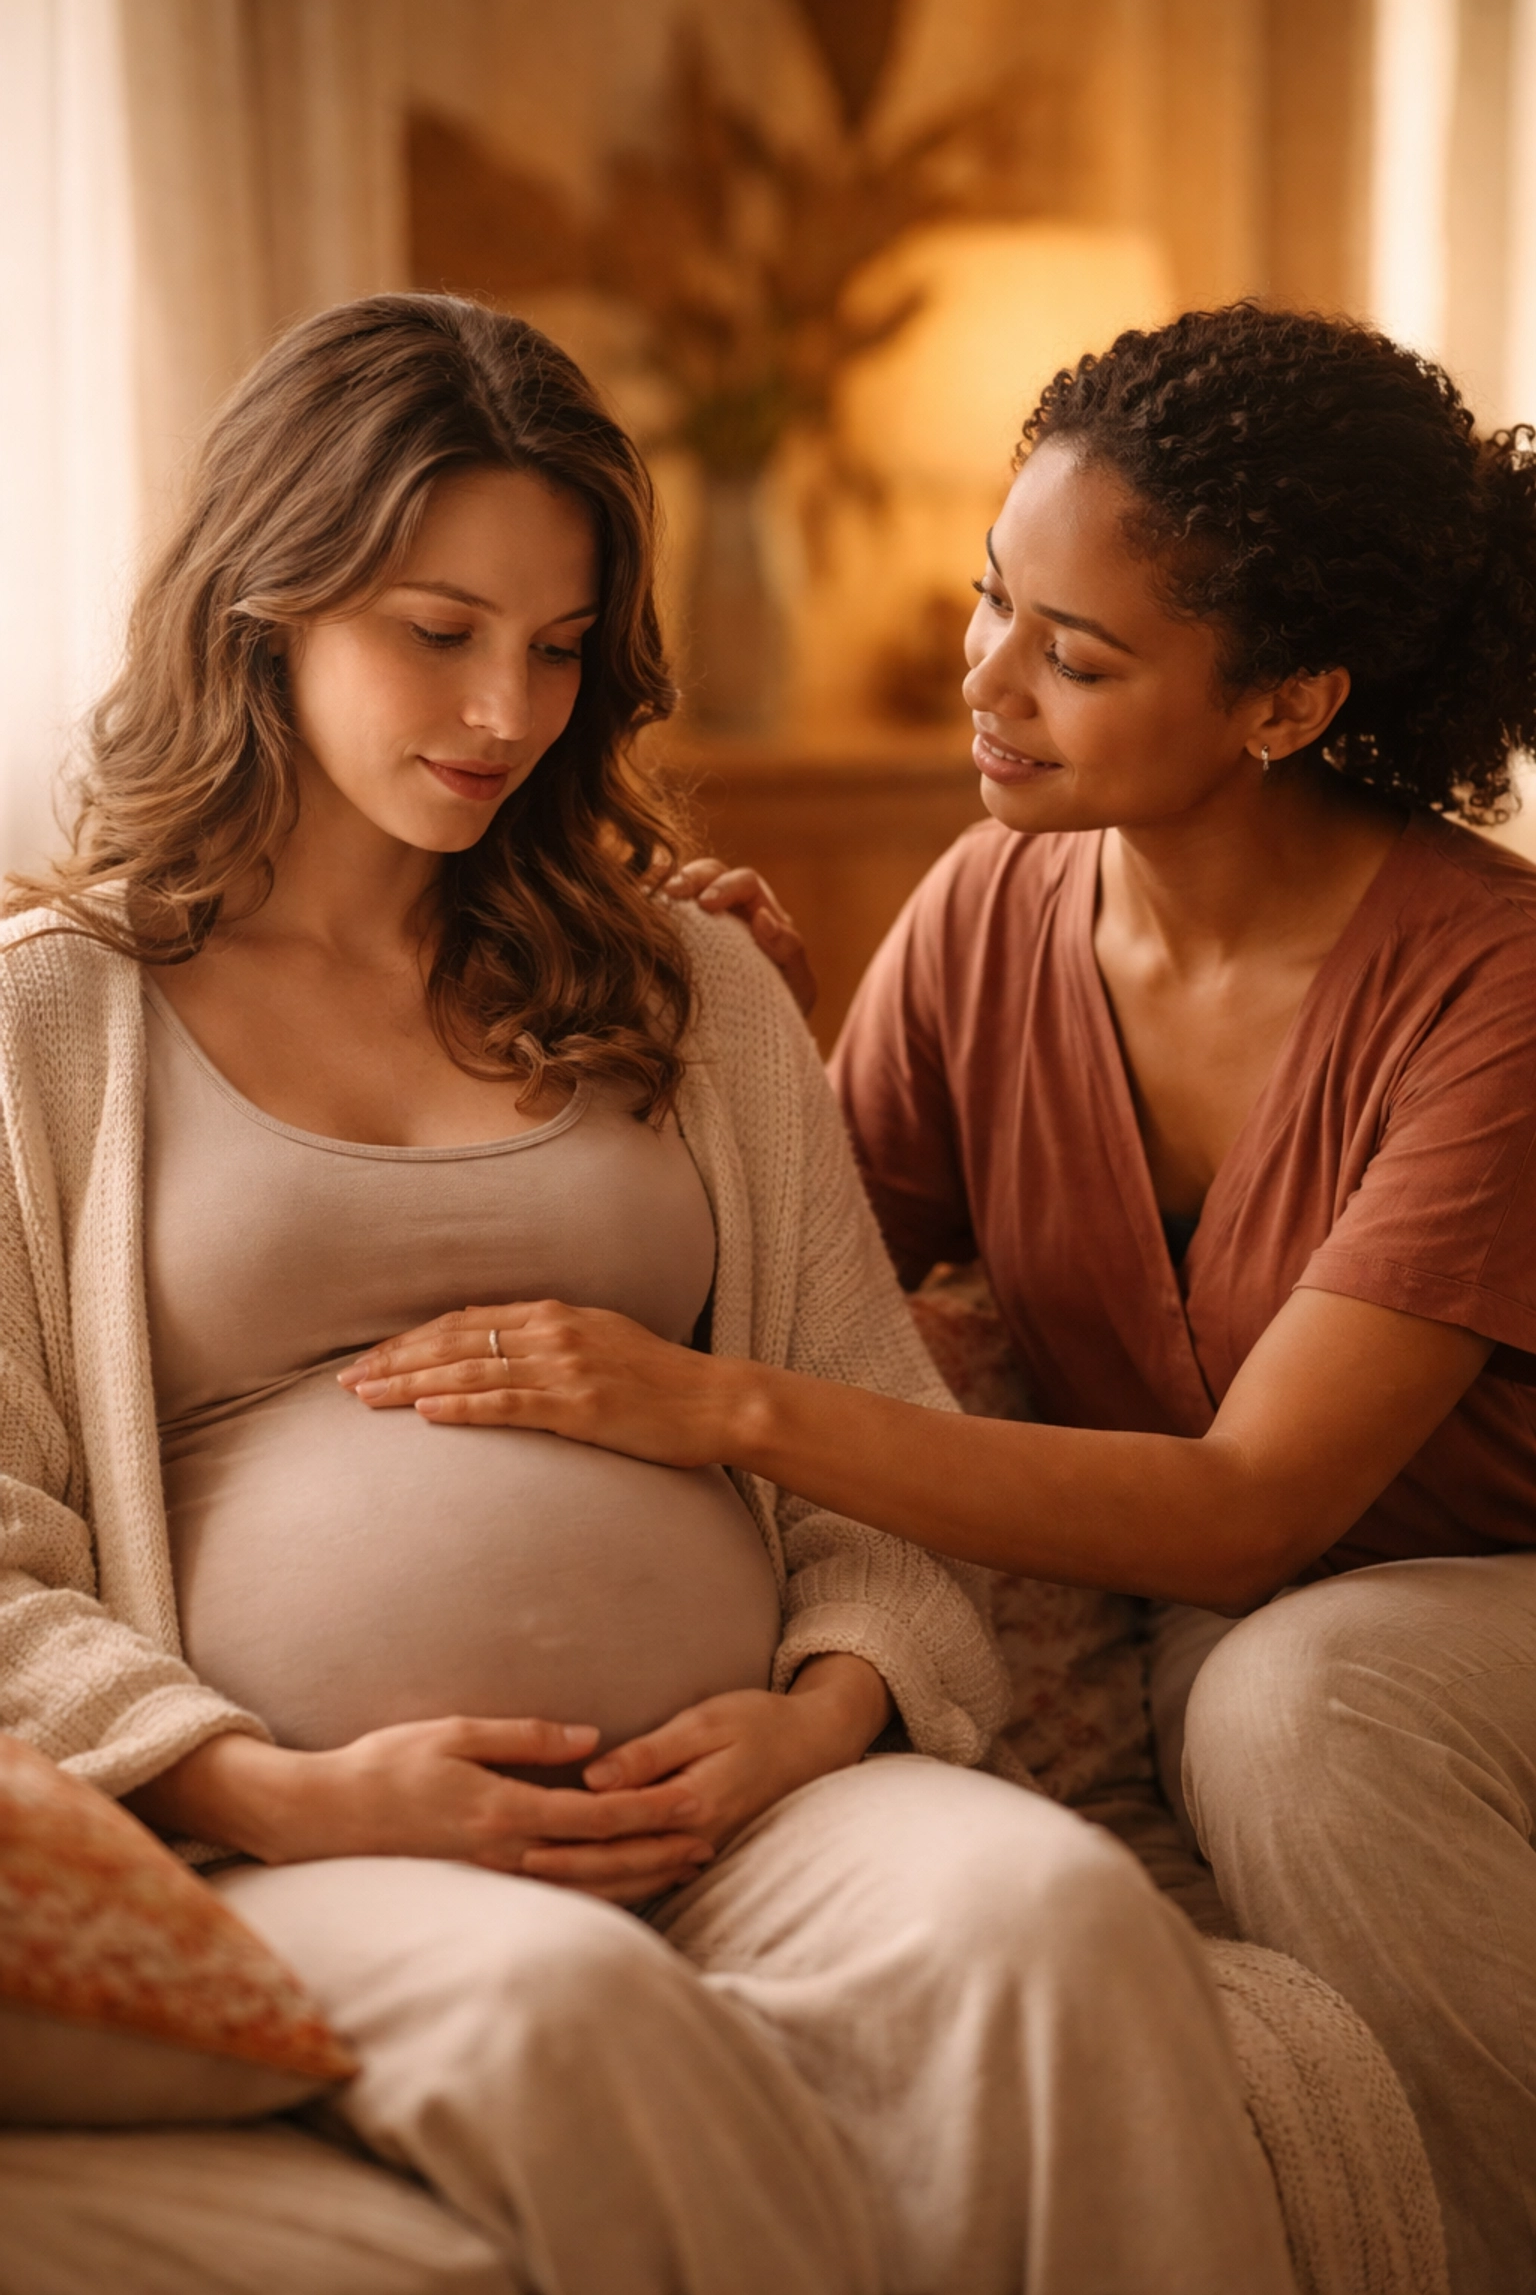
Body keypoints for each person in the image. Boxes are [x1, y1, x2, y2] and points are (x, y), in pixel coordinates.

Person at [0, 294, 1297, 2295]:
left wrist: (821, 1713)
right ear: (265, 599)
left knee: (1056, 1920)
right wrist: (276, 1787)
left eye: (554, 647)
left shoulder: (682, 987)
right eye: (437, 632)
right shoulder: (48, 1019)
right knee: (560, 2018)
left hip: (753, 1795)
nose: (504, 710)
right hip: (307, 1841)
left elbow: (874, 1433)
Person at [351, 303, 1536, 2293]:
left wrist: (726, 1415)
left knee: (1290, 1701)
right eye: (995, 604)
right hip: (1251, 1620)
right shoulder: (993, 909)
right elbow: (788, 1283)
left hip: (1469, 1606)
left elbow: (1252, 1513)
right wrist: (730, 1046)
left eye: (1076, 657)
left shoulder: (1493, 991)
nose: (984, 680)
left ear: (1287, 699)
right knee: (1250, 1687)